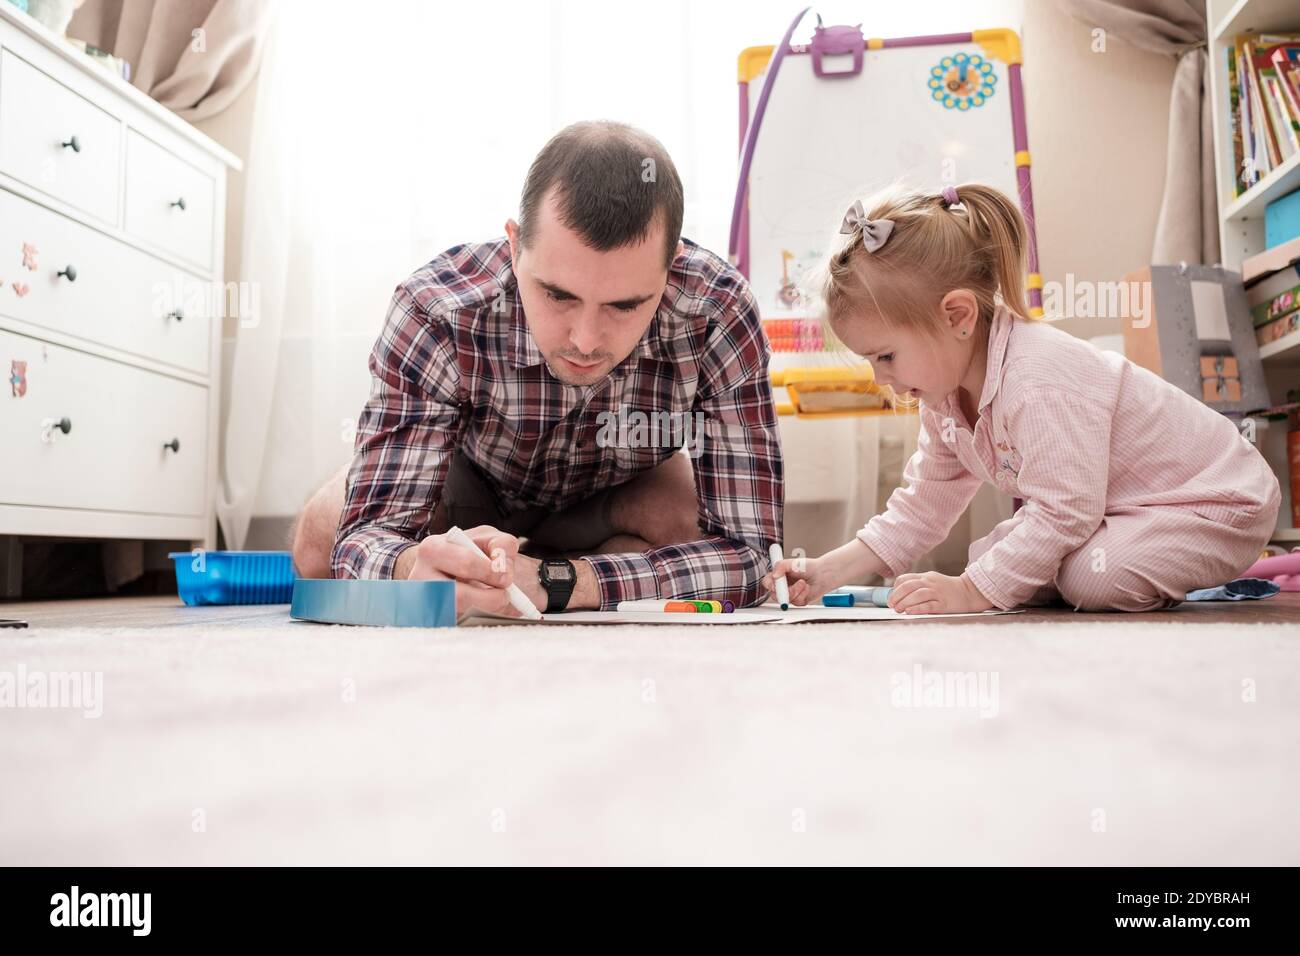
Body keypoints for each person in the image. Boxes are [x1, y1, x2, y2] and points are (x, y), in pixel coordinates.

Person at [291, 121, 784, 616]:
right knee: (319, 548)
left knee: (683, 523)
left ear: (671, 267)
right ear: (514, 244)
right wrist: (411, 565)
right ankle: (520, 572)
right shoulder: (437, 309)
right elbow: (361, 543)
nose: (585, 340)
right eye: (557, 295)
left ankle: (552, 573)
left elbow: (750, 557)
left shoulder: (717, 309)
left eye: (625, 305)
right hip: (463, 483)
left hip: (616, 496)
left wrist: (563, 581)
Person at [764, 183, 1279, 614]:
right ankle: (1051, 568)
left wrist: (972, 590)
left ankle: (1068, 572)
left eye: (886, 357)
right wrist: (827, 570)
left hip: (1216, 504)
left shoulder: (1037, 380)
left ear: (958, 316)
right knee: (996, 553)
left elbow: (1066, 510)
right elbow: (923, 504)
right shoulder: (943, 399)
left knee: (1089, 579)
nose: (881, 379)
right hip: (1115, 512)